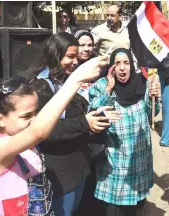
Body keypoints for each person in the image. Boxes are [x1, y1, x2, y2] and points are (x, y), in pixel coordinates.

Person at [0, 54, 108, 215]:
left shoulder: (25, 142)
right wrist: (77, 78)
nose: (35, 120)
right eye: (26, 116)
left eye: (36, 112)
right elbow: (39, 131)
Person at [30, 32, 121, 216]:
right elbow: (47, 130)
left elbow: (77, 116)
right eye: (70, 56)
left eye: (76, 57)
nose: (75, 62)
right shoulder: (41, 86)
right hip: (60, 174)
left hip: (79, 167)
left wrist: (96, 116)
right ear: (55, 55)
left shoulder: (65, 80)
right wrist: (84, 122)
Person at [89, 48, 160, 216]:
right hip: (115, 165)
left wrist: (152, 97)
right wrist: (109, 90)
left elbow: (152, 112)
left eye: (126, 63)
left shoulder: (142, 83)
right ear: (111, 67)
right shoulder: (101, 85)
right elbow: (94, 113)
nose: (122, 68)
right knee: (114, 210)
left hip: (139, 162)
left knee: (136, 208)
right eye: (117, 64)